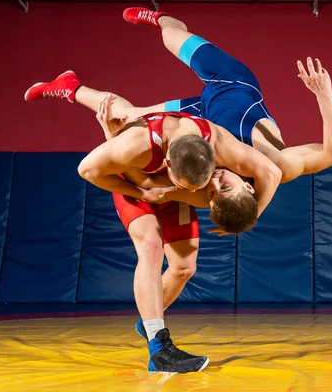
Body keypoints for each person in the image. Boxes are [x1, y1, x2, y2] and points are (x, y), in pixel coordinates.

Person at [23, 75, 282, 374]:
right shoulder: (135, 146)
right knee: (150, 245)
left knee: (184, 268)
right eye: (216, 188)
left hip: (170, 183)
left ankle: (148, 319)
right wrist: (141, 189)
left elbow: (271, 174)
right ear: (169, 166)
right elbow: (87, 170)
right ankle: (159, 347)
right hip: (132, 179)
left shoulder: (223, 148)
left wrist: (244, 218)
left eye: (214, 185)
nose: (216, 183)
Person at [118, 7, 332, 185]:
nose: (218, 183)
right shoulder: (278, 164)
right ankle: (161, 18)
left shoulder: (206, 178)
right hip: (231, 82)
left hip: (203, 113)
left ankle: (78, 91)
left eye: (216, 190)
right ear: (248, 188)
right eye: (225, 187)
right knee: (170, 36)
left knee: (127, 118)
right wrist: (325, 95)